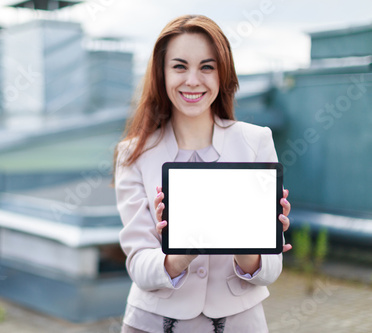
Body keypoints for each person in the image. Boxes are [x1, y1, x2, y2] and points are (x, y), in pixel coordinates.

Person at [113, 14, 292, 333]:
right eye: (179, 66)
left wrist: (250, 243)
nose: (193, 80)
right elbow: (139, 265)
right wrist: (178, 256)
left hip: (239, 323)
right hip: (153, 323)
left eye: (207, 67)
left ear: (223, 74)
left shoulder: (255, 142)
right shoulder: (133, 154)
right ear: (161, 74)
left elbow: (271, 269)